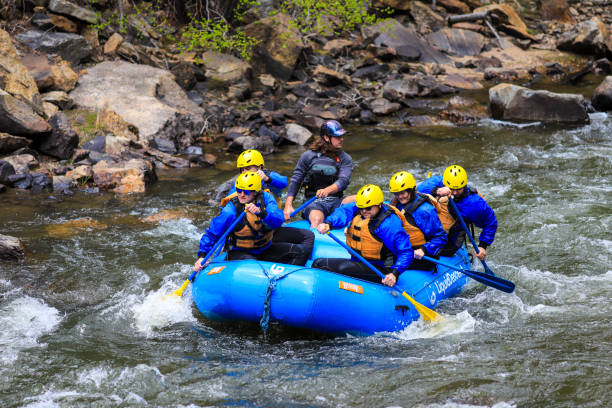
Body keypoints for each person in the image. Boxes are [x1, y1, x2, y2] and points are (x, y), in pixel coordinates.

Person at [194, 172, 314, 270]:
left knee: (300, 252)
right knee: (254, 267)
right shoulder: (230, 210)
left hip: (264, 249)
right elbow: (213, 234)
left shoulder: (266, 198)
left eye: (246, 192)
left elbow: (278, 220)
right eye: (239, 190)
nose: (241, 195)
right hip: (239, 252)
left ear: (256, 192)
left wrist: (261, 213)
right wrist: (202, 256)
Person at [312, 184, 413, 287]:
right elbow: (344, 211)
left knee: (326, 266)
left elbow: (406, 251)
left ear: (379, 204)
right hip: (360, 262)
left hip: (381, 270)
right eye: (361, 208)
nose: (364, 211)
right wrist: (328, 223)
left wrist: (394, 273)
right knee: (318, 262)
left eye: (368, 208)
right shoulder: (362, 209)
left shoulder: (389, 224)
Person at [283, 120, 354, 228]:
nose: (341, 139)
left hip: (337, 200)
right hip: (314, 202)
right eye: (337, 136)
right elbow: (296, 180)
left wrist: (327, 190)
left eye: (342, 136)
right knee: (317, 220)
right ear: (326, 138)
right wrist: (288, 206)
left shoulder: (345, 158)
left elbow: (343, 181)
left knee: (363, 200)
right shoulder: (308, 156)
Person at [417, 165, 497, 260]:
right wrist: (437, 190)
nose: (454, 192)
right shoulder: (442, 181)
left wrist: (482, 246)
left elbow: (490, 222)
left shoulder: (474, 204)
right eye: (451, 189)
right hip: (430, 229)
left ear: (464, 186)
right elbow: (419, 189)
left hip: (450, 241)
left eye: (458, 189)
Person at [389, 171, 447, 270]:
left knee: (388, 264)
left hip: (422, 256)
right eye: (396, 193)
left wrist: (424, 249)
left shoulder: (425, 211)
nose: (400, 196)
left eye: (402, 193)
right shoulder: (397, 204)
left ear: (411, 190)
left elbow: (441, 238)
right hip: (403, 250)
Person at [223, 149, 288, 206]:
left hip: (270, 210)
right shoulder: (241, 180)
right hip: (252, 210)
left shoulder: (269, 175)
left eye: (248, 168)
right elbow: (230, 198)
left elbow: (284, 183)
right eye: (242, 169)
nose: (244, 172)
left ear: (259, 167)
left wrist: (267, 179)